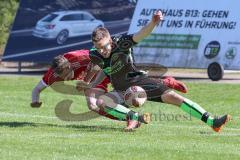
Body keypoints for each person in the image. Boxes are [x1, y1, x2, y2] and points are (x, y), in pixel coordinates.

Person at [88, 10, 231, 131]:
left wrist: (153, 23)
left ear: (110, 41)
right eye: (98, 47)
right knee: (102, 102)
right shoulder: (94, 54)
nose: (102, 51)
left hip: (139, 81)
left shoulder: (121, 43)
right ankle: (134, 117)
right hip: (121, 89)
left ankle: (213, 122)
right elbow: (105, 69)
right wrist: (93, 83)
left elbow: (141, 34)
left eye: (104, 46)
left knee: (175, 98)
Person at [31, 49, 186, 128]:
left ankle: (167, 83)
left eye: (67, 74)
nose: (65, 79)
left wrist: (86, 81)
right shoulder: (53, 75)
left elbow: (98, 60)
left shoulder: (78, 57)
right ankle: (134, 117)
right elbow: (36, 90)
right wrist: (35, 101)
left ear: (70, 65)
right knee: (94, 105)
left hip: (106, 69)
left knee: (131, 85)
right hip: (93, 81)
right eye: (62, 77)